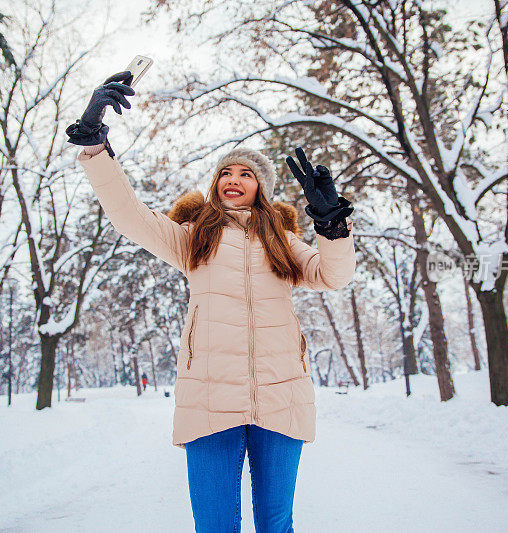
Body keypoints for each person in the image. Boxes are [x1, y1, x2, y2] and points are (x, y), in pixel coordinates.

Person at [67, 71, 356, 533]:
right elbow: (129, 215)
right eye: (226, 172)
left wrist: (330, 223)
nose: (234, 180)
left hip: (280, 391)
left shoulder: (281, 240)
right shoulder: (193, 240)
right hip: (209, 394)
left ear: (261, 186)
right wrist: (96, 147)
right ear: (215, 182)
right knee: (215, 524)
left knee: (276, 523)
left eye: (246, 174)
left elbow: (334, 275)